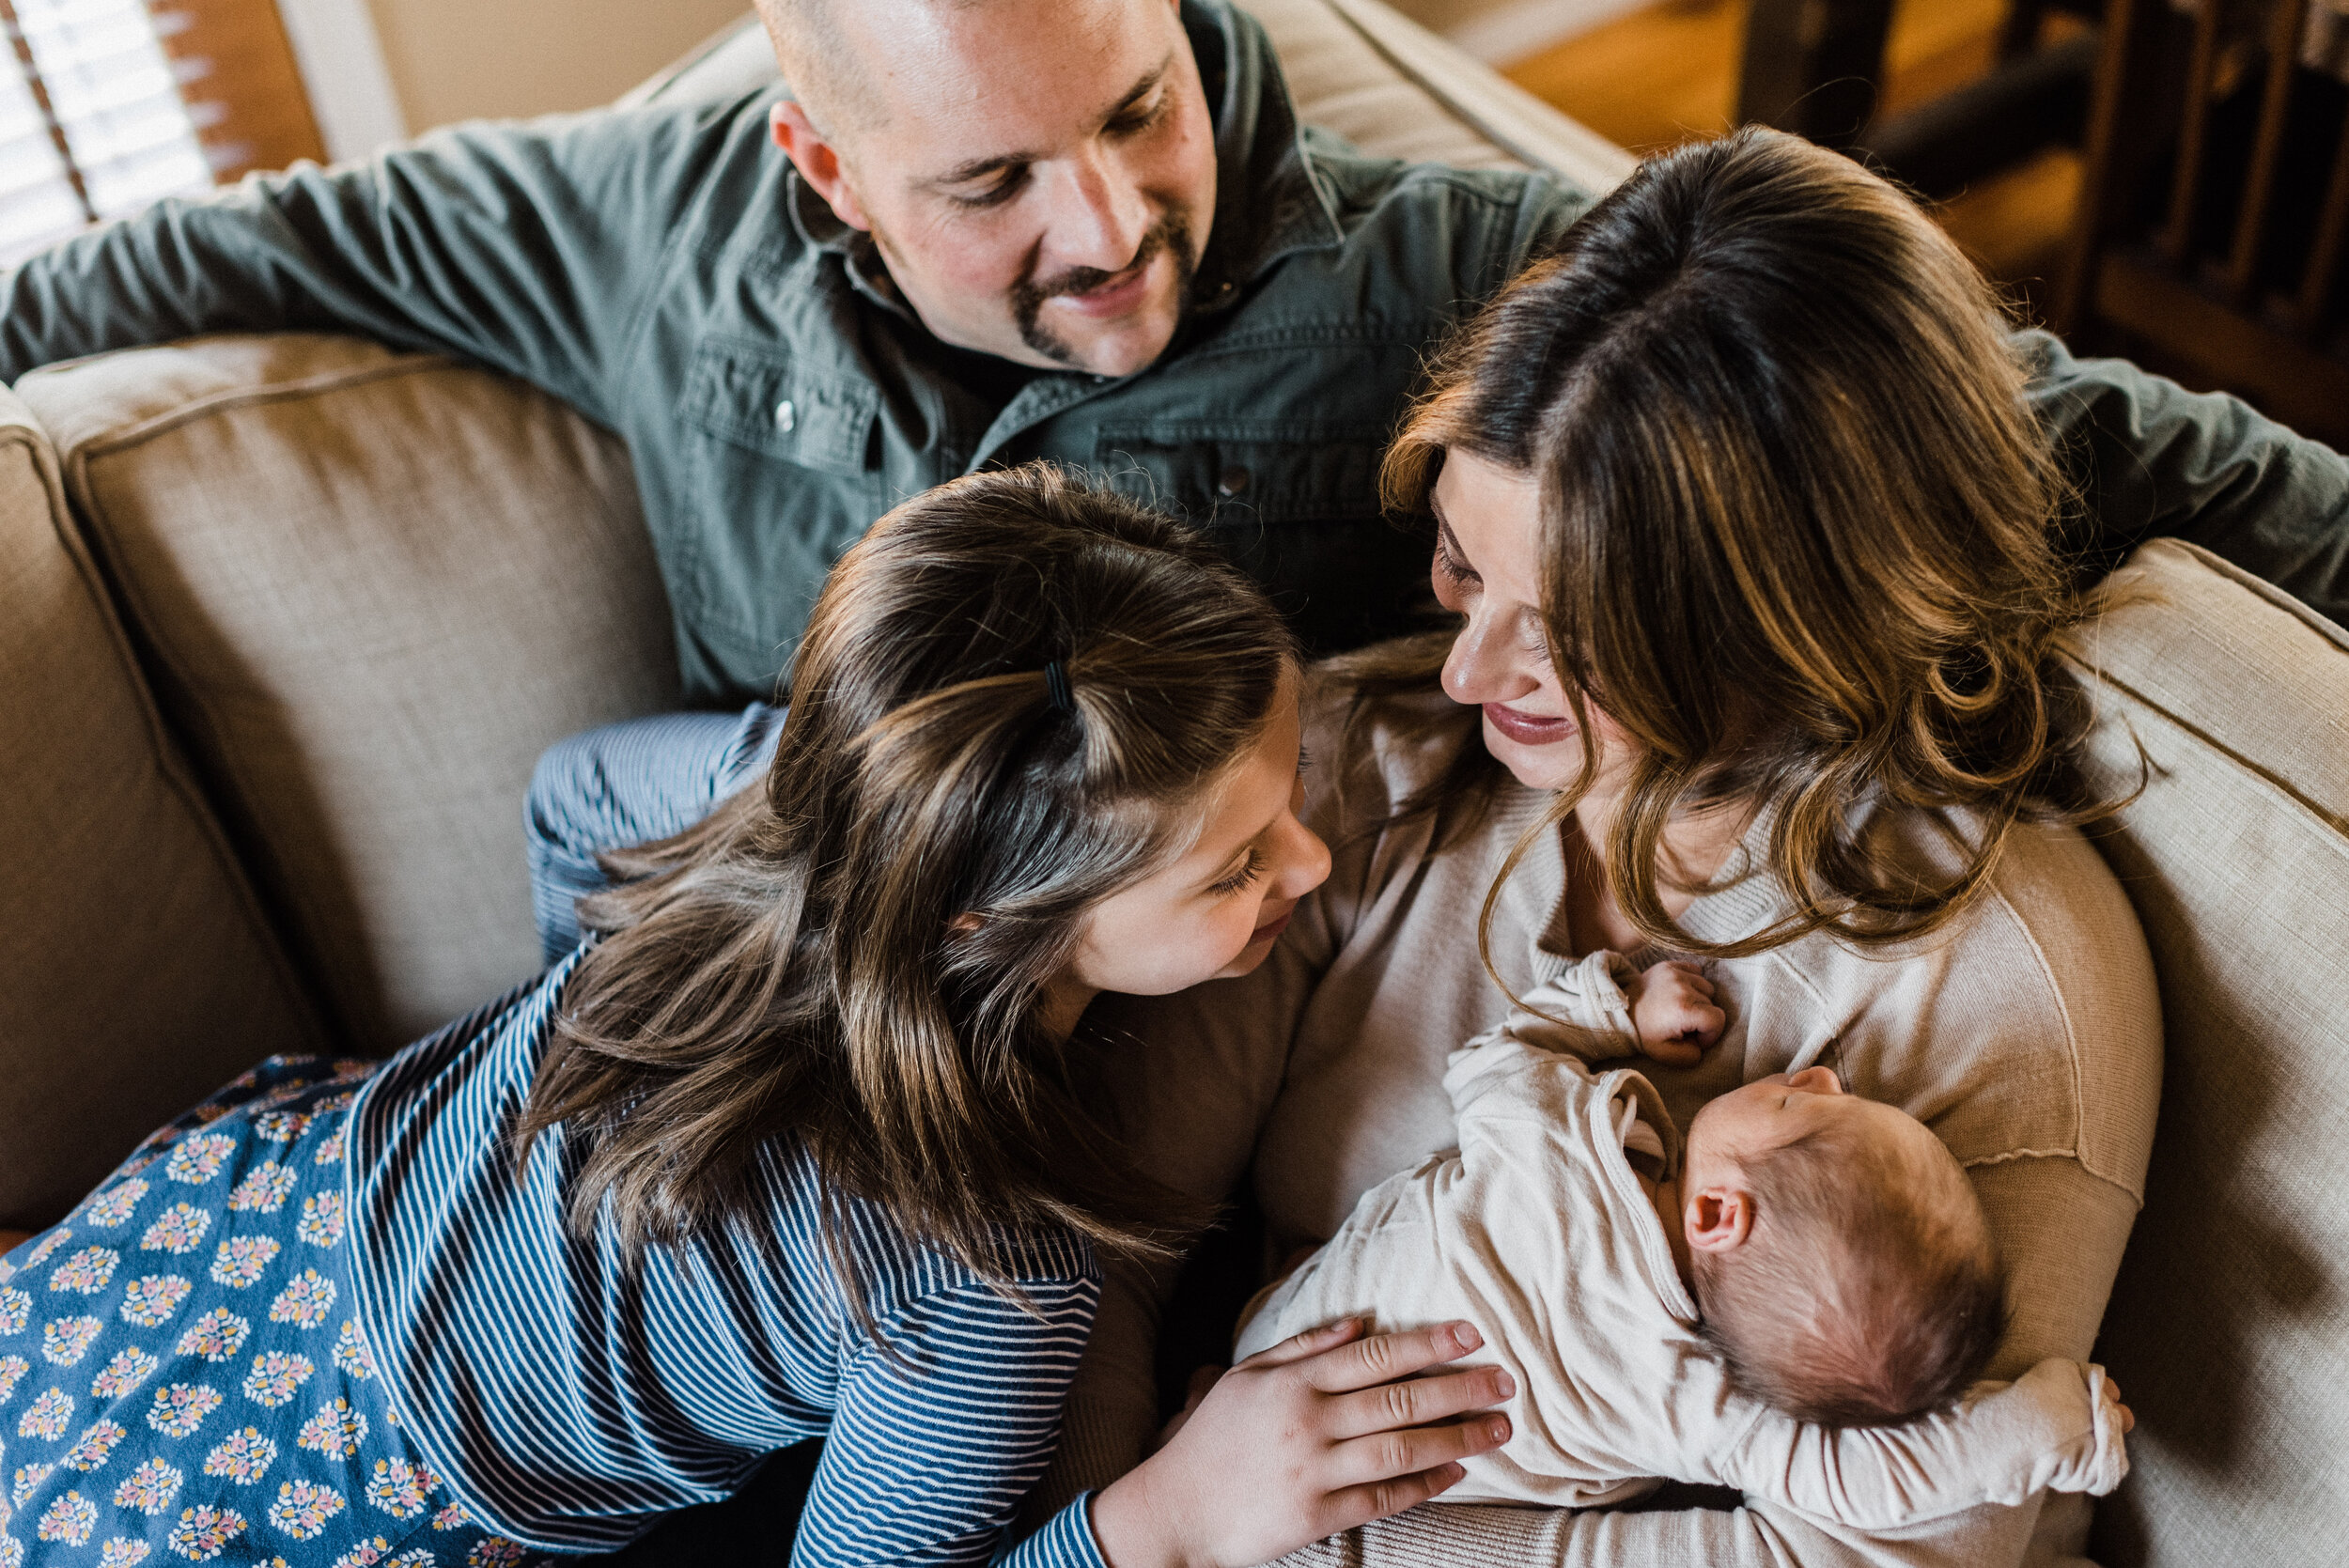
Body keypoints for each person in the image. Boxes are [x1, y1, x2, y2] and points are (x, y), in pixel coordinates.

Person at [0, 0, 2341, 936]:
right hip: (775, 933)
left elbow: (2037, 411)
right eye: (994, 187)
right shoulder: (631, 227)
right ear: (817, 158)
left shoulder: (1442, 272)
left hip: (1135, 1018)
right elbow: (227, 245)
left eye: (1137, 109)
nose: (1114, 230)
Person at [0, 468, 1519, 1568]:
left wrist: (615, 1074)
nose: (1311, 865)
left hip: (234, 1206)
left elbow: (571, 791)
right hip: (317, 1483)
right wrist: (1170, 1517)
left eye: (1288, 794)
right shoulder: (990, 1263)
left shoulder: (777, 801)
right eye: (1236, 861)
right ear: (981, 918)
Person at [1051, 127, 2171, 1568]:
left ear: (1795, 629)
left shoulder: (1994, 986)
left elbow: (1879, 1550)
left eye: (1570, 637)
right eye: (1462, 566)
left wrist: (1321, 1538)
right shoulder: (1357, 779)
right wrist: (1121, 1526)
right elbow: (1103, 1251)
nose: (1465, 673)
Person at [1233, 968, 2137, 1525]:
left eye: (1804, 1102)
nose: (1821, 1071)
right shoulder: (1705, 1408)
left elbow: (1492, 1055)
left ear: (1717, 1217)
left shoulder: (1558, 1149)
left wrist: (1618, 1008)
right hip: (1335, 1481)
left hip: (1291, 1329)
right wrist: (2058, 1424)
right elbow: (1868, 1481)